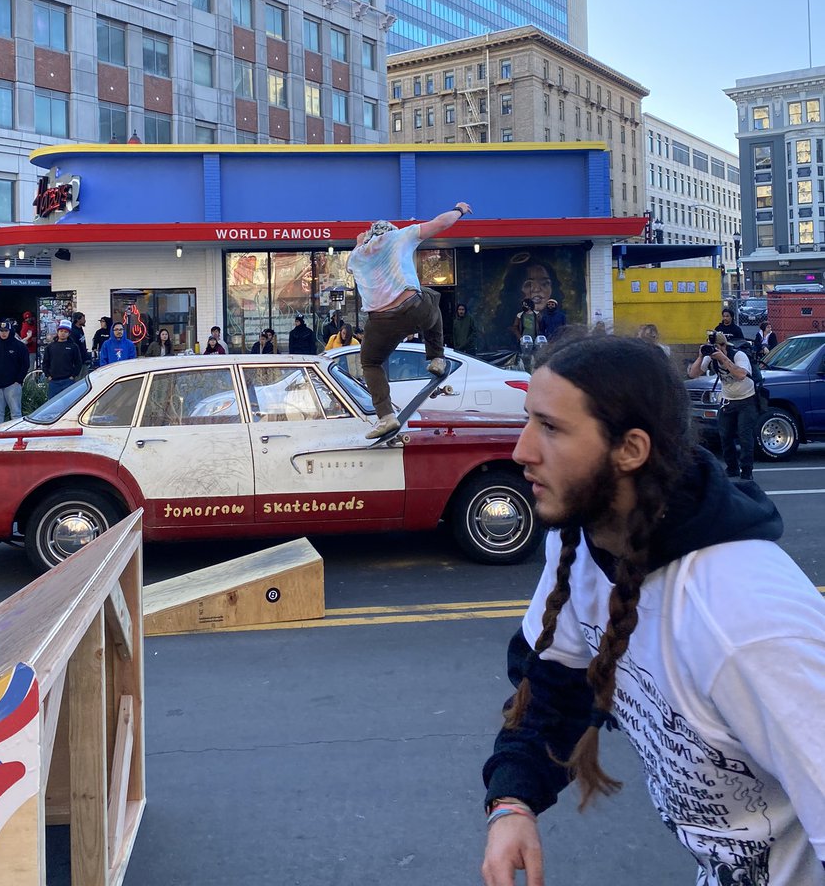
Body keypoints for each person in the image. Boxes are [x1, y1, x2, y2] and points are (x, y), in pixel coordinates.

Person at [481, 336, 825, 886]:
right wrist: (512, 802)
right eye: (529, 420)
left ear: (631, 450)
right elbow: (556, 689)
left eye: (551, 427)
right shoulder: (581, 543)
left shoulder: (747, 621)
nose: (521, 450)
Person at [347, 202, 472, 439]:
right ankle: (436, 358)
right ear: (391, 231)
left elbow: (351, 265)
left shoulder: (358, 255)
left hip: (380, 320)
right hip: (412, 307)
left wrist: (360, 243)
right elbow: (440, 223)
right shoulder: (400, 236)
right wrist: (459, 210)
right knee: (433, 298)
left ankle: (385, 416)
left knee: (371, 363)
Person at [687, 330, 757, 480]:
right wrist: (701, 356)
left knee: (745, 436)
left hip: (746, 400)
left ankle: (746, 470)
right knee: (725, 435)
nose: (713, 350)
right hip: (727, 400)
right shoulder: (710, 358)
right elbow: (693, 374)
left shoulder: (738, 355)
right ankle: (732, 468)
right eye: (710, 346)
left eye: (715, 347)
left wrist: (723, 359)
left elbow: (741, 375)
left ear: (723, 345)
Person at [0, 319, 29, 424]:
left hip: (12, 385)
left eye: (6, 331)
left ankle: (17, 436)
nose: (3, 333)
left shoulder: (20, 346)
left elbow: (25, 365)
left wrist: (18, 380)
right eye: (1, 331)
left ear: (10, 331)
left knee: (16, 413)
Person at [42, 319, 83, 398]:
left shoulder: (73, 347)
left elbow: (78, 362)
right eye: (61, 331)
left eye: (65, 332)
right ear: (58, 332)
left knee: (68, 403)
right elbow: (45, 363)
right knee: (53, 404)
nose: (63, 333)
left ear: (69, 333)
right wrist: (48, 375)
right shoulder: (50, 347)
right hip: (53, 381)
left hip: (68, 381)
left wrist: (73, 376)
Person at [70, 311, 92, 377]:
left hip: (83, 359)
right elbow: (74, 346)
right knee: (78, 379)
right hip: (77, 361)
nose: (85, 321)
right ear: (78, 319)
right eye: (83, 319)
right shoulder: (73, 331)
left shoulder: (80, 329)